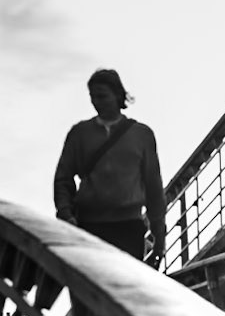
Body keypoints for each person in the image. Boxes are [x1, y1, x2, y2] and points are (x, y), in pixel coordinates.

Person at [54, 68, 168, 264]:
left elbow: (153, 187)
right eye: (93, 97)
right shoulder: (79, 134)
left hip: (128, 226)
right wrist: (65, 213)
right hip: (87, 225)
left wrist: (159, 233)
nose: (96, 102)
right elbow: (63, 178)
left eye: (102, 96)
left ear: (117, 95)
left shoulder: (141, 135)